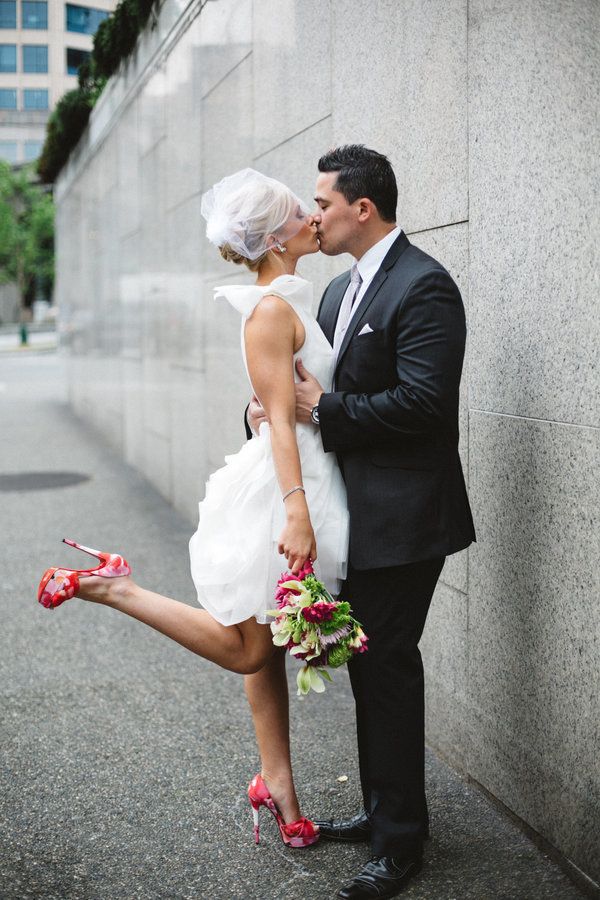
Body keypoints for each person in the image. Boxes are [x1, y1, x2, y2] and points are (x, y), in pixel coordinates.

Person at [37, 168, 349, 850]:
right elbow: (275, 416)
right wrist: (296, 510)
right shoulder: (270, 310)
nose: (313, 219)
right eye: (302, 212)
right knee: (246, 650)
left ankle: (278, 784)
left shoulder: (290, 297)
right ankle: (118, 588)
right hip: (282, 487)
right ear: (273, 237)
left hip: (296, 478)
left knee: (264, 644)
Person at [248, 145, 476, 898]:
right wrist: (266, 413)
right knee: (370, 667)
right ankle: (386, 814)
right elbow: (303, 393)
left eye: (322, 201)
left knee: (386, 666)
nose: (313, 214)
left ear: (362, 209)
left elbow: (425, 405)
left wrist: (327, 410)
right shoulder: (336, 291)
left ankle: (400, 844)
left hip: (411, 516)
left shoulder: (425, 287)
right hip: (357, 516)